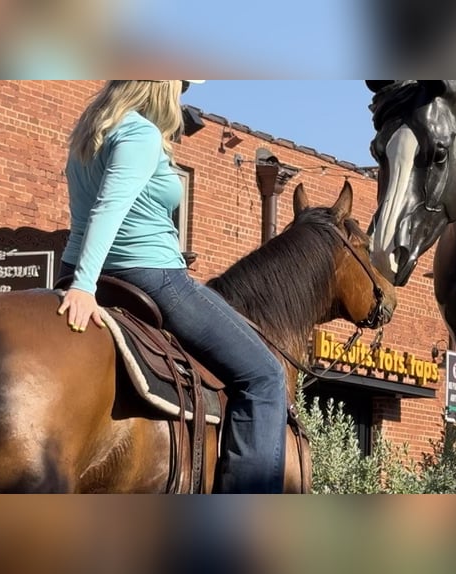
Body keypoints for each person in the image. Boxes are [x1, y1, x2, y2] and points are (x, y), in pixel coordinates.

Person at [57, 80, 287, 494]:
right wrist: (84, 287)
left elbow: (84, 212)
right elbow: (111, 206)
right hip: (151, 275)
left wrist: (78, 278)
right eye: (180, 85)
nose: (182, 94)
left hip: (80, 268)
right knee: (265, 377)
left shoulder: (89, 134)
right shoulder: (140, 134)